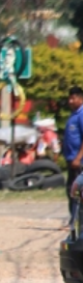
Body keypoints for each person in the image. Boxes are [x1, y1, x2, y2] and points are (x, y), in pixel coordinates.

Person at [63, 86, 83, 218]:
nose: (70, 101)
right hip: (72, 160)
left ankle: (77, 222)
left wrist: (78, 158)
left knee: (76, 191)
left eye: (73, 98)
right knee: (72, 191)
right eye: (69, 98)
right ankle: (74, 221)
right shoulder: (74, 114)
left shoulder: (82, 115)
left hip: (79, 162)